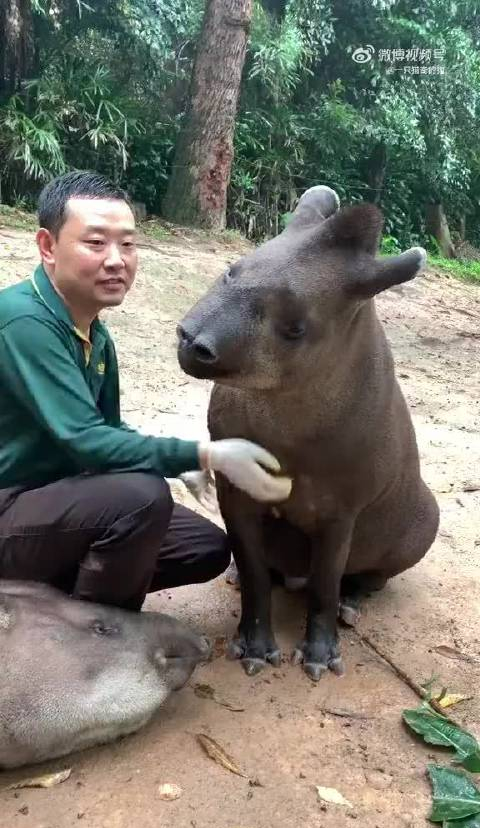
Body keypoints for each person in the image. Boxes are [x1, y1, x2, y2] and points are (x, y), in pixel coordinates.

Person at [0, 171, 292, 611]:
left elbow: (106, 426)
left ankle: (45, 597)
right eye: (95, 243)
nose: (116, 260)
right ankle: (93, 642)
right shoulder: (23, 321)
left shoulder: (94, 335)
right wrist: (203, 455)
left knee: (205, 547)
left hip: (53, 497)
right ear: (47, 247)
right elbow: (86, 439)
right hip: (10, 504)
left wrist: (181, 466)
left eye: (129, 244)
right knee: (140, 497)